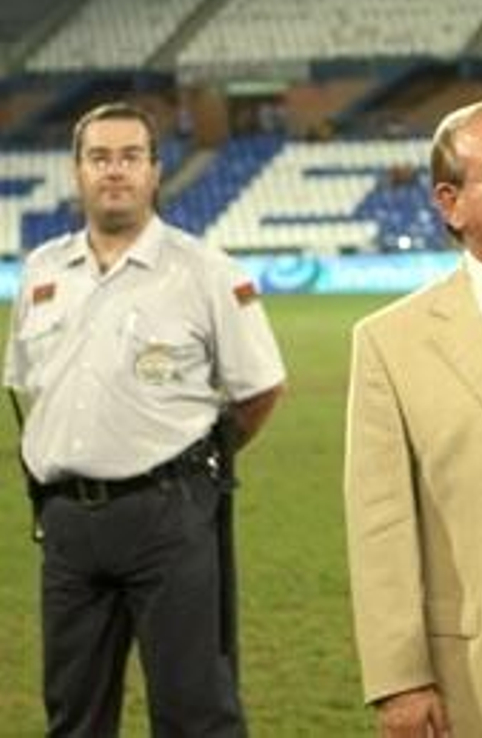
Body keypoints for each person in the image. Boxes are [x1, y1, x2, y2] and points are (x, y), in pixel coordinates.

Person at [3, 101, 287, 736]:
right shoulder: (42, 272)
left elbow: (261, 389)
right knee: (73, 713)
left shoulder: (205, 271)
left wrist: (199, 466)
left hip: (170, 516)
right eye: (99, 157)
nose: (115, 171)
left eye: (131, 156)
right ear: (76, 171)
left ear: (156, 171)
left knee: (194, 713)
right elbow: (29, 388)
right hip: (67, 524)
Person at [345, 99, 482, 738]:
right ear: (449, 203)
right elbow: (379, 524)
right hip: (480, 673)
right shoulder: (390, 341)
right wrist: (399, 679)